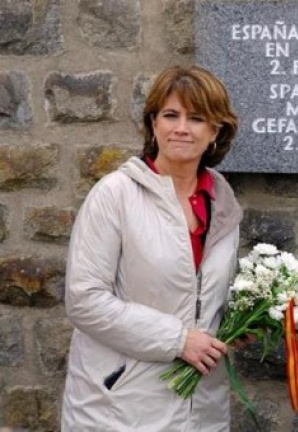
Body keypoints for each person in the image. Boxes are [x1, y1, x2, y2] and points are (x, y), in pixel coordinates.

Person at [61, 65, 242, 430]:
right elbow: (84, 300)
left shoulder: (221, 200)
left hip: (202, 410)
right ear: (153, 124)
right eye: (171, 115)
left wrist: (242, 321)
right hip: (120, 408)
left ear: (215, 131)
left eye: (196, 118)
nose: (181, 128)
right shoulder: (115, 195)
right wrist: (178, 340)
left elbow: (205, 298)